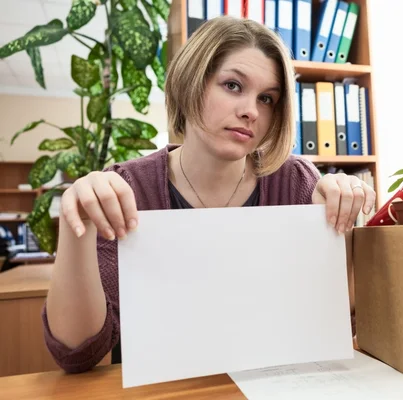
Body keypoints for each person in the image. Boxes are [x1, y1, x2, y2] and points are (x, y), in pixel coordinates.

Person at [42, 16, 376, 374]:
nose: (251, 110)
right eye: (233, 85)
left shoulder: (295, 182)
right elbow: (77, 355)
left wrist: (341, 225)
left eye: (267, 98)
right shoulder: (128, 188)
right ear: (190, 83)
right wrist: (77, 226)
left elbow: (335, 326)